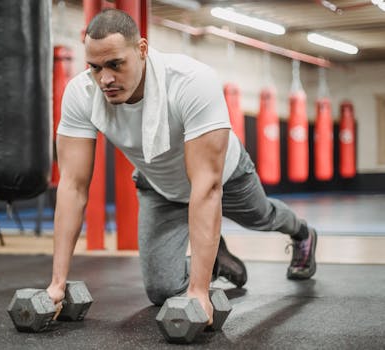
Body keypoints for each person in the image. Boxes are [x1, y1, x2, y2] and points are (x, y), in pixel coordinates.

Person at [46, 9, 317, 326]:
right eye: (95, 67)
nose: (105, 78)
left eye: (116, 65)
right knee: (162, 289)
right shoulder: (82, 94)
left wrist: (200, 291)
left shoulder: (190, 81)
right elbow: (73, 187)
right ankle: (217, 255)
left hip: (224, 177)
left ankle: (302, 234)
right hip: (160, 187)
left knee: (263, 217)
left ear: (142, 50)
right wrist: (56, 284)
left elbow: (207, 186)